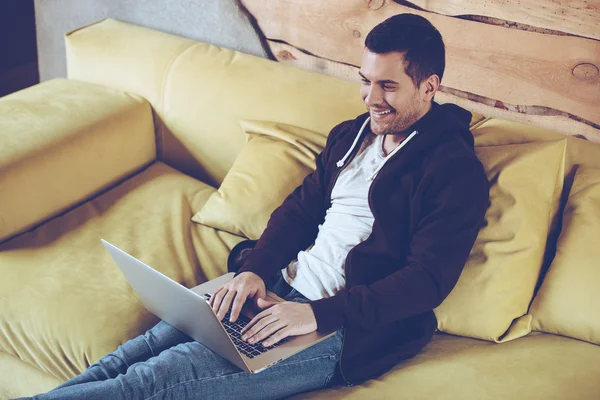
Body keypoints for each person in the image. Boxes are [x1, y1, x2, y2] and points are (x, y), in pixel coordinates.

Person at [20, 13, 489, 400]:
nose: (370, 99)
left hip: (339, 327)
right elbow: (301, 211)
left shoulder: (453, 170)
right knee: (133, 354)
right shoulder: (352, 136)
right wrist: (256, 272)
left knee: (152, 382)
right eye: (365, 82)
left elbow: (425, 282)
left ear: (429, 86)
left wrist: (314, 315)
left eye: (388, 86)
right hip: (276, 288)